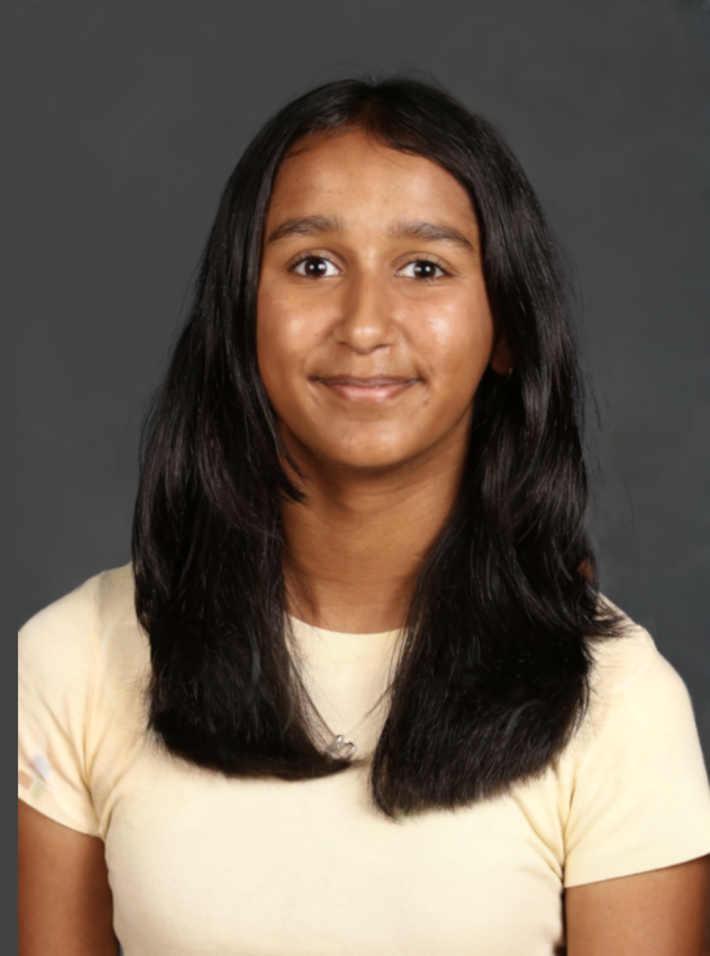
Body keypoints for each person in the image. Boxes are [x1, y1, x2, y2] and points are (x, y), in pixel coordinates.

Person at [18, 76, 710, 956]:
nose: (365, 325)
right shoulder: (75, 657)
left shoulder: (618, 701)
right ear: (241, 311)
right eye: (313, 264)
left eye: (425, 268)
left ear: (505, 328)